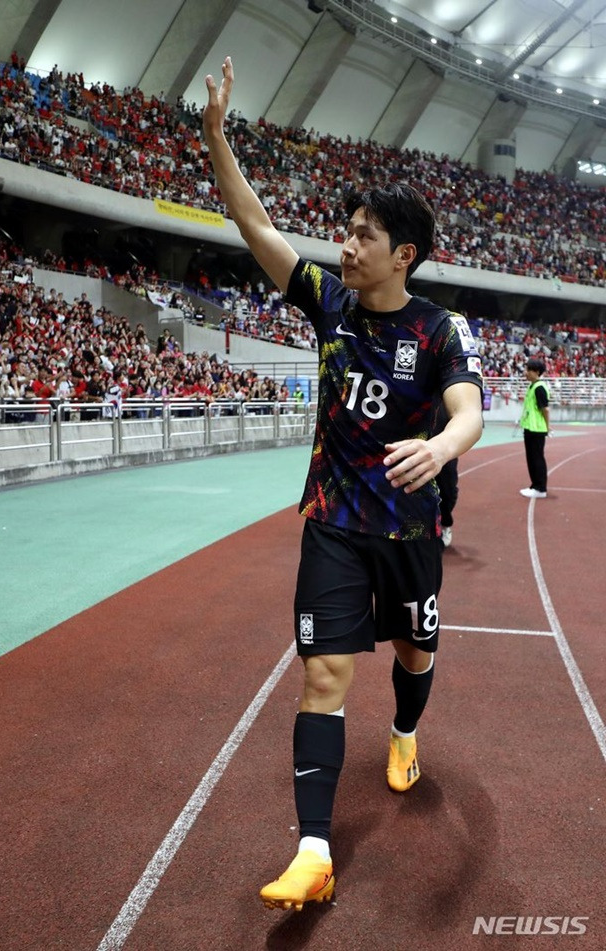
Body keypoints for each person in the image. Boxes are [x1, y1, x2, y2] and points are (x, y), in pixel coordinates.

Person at [203, 57, 484, 912]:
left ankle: (404, 732)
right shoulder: (326, 300)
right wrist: (216, 137)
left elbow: (470, 412)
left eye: (362, 234)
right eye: (345, 229)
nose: (343, 244)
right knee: (323, 677)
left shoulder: (439, 330)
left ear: (402, 254)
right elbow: (254, 224)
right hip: (331, 522)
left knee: (415, 655)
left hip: (410, 533)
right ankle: (316, 849)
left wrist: (440, 449)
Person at [518, 357, 550, 499]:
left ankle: (540, 488)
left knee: (537, 458)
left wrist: (547, 428)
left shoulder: (539, 388)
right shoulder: (533, 386)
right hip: (530, 428)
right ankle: (535, 485)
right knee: (531, 458)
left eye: (528, 370)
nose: (526, 373)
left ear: (536, 372)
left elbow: (545, 410)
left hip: (537, 429)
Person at [433, 401, 459, 548]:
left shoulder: (451, 389)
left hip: (445, 450)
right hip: (419, 442)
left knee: (447, 491)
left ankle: (445, 524)